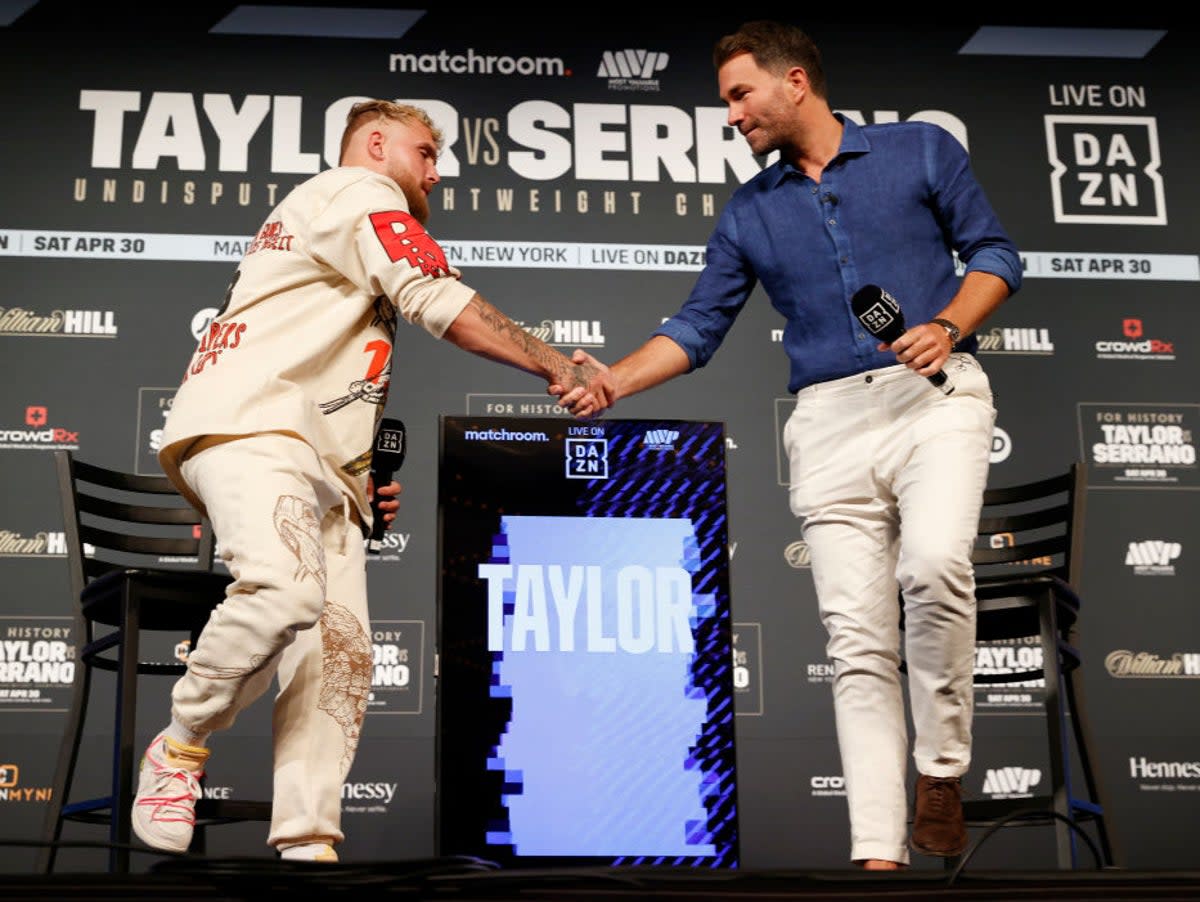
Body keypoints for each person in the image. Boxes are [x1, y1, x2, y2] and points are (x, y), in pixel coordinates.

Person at [556, 21, 1022, 869]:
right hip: (829, 424)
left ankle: (941, 770)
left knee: (932, 568)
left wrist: (949, 324)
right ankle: (879, 852)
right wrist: (613, 381)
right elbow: (700, 325)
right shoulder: (751, 210)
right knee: (856, 645)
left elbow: (995, 252)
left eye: (741, 95)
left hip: (935, 398)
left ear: (795, 81)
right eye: (726, 100)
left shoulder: (918, 151)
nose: (732, 115)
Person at [136, 99, 610, 863]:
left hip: (316, 460)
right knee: (286, 593)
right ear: (377, 143)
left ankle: (307, 843)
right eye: (425, 152)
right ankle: (181, 745)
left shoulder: (329, 212)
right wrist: (555, 363)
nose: (436, 170)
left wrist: (355, 480)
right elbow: (437, 300)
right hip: (255, 431)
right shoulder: (362, 193)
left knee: (342, 655)